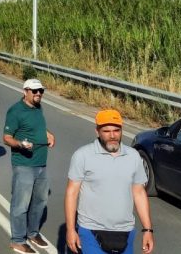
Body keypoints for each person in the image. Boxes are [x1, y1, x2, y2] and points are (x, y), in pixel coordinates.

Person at [66, 109, 154, 254]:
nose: (112, 135)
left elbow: (139, 193)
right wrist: (70, 229)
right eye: (106, 131)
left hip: (126, 231)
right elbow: (72, 193)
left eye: (116, 130)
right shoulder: (82, 155)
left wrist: (148, 229)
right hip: (91, 231)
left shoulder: (133, 156)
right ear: (97, 132)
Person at [3, 78, 56, 254]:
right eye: (35, 91)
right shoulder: (15, 111)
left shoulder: (38, 107)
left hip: (42, 163)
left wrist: (48, 134)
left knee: (40, 201)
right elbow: (7, 137)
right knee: (21, 204)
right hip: (24, 164)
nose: (38, 94)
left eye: (41, 91)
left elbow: (38, 127)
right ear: (25, 91)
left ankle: (33, 233)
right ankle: (18, 240)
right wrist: (20, 144)